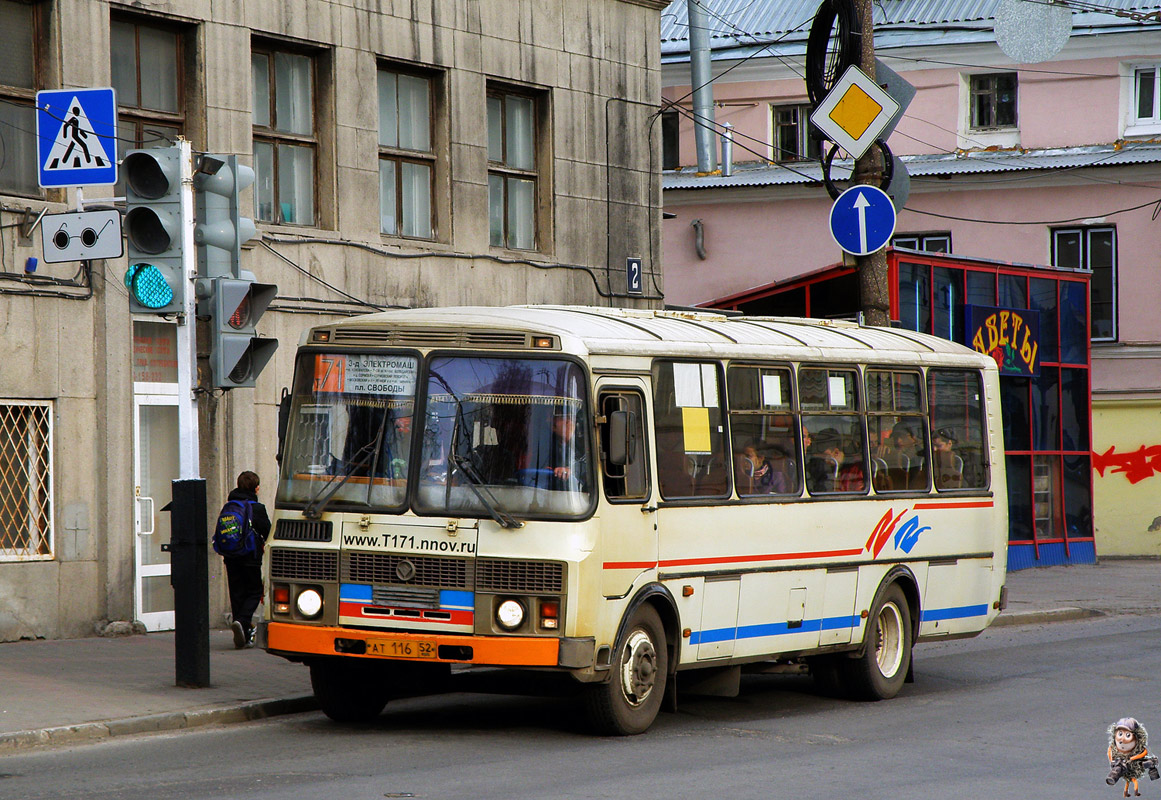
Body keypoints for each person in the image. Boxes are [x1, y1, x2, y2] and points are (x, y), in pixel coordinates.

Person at [223, 470, 272, 649]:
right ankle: (242, 621)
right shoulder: (257, 508)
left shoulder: (229, 505)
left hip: (230, 556)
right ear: (256, 488)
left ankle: (241, 628)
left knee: (237, 592)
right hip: (250, 556)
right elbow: (268, 531)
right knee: (254, 590)